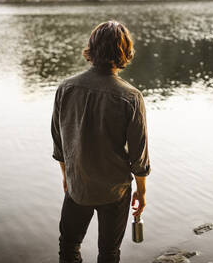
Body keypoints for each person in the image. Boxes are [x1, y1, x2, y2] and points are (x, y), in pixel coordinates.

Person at [51, 20, 151, 263]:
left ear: (92, 48)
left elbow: (59, 142)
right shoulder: (131, 97)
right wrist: (142, 190)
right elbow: (139, 155)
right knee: (109, 253)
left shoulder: (66, 88)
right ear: (124, 52)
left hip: (78, 187)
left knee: (69, 246)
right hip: (115, 191)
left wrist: (67, 176)